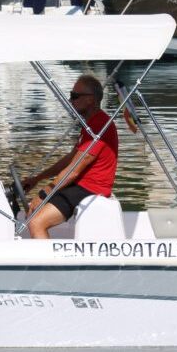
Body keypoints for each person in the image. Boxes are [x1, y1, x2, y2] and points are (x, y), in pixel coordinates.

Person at [22, 74, 130, 239]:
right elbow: (70, 158)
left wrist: (44, 194)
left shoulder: (100, 125)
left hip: (90, 189)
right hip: (80, 185)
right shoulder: (90, 124)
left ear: (90, 100)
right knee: (31, 210)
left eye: (75, 96)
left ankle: (49, 265)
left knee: (36, 222)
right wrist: (38, 178)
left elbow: (73, 170)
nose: (70, 100)